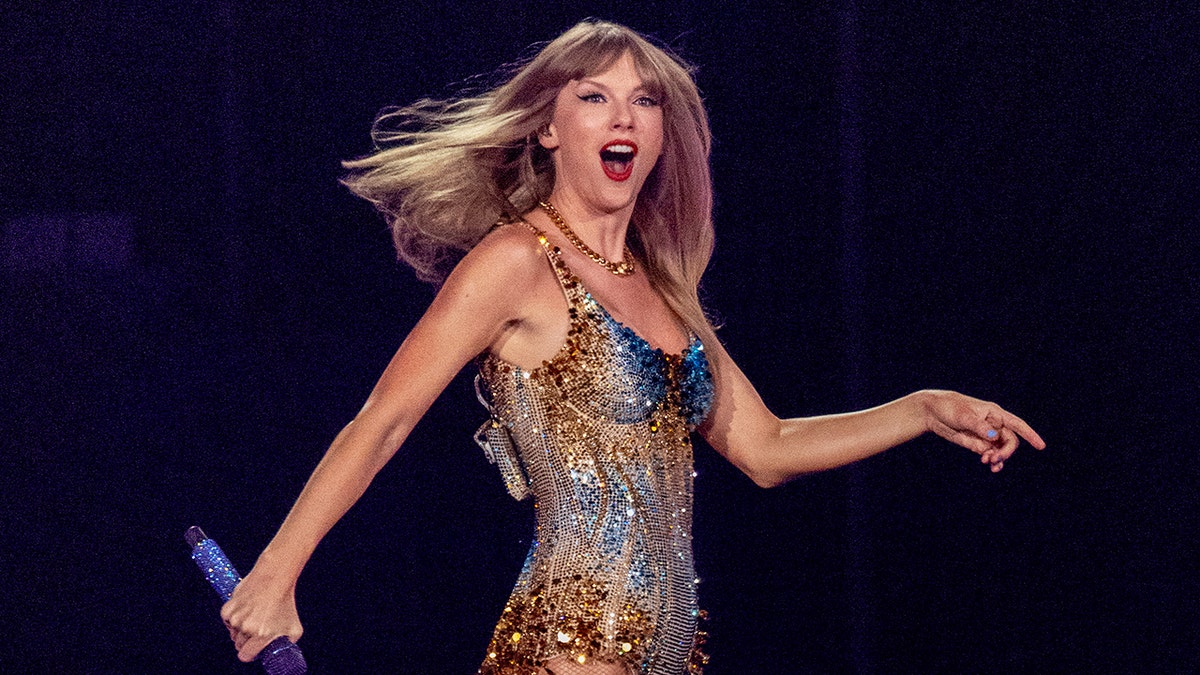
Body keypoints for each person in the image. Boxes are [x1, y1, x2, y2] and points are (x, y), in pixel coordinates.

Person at [220, 19, 1045, 675]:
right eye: (594, 97)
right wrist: (276, 569)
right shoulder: (517, 261)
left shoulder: (663, 291)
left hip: (665, 650)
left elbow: (767, 446)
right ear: (547, 128)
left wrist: (919, 408)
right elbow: (384, 419)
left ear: (660, 133)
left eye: (644, 102)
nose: (623, 117)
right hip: (570, 645)